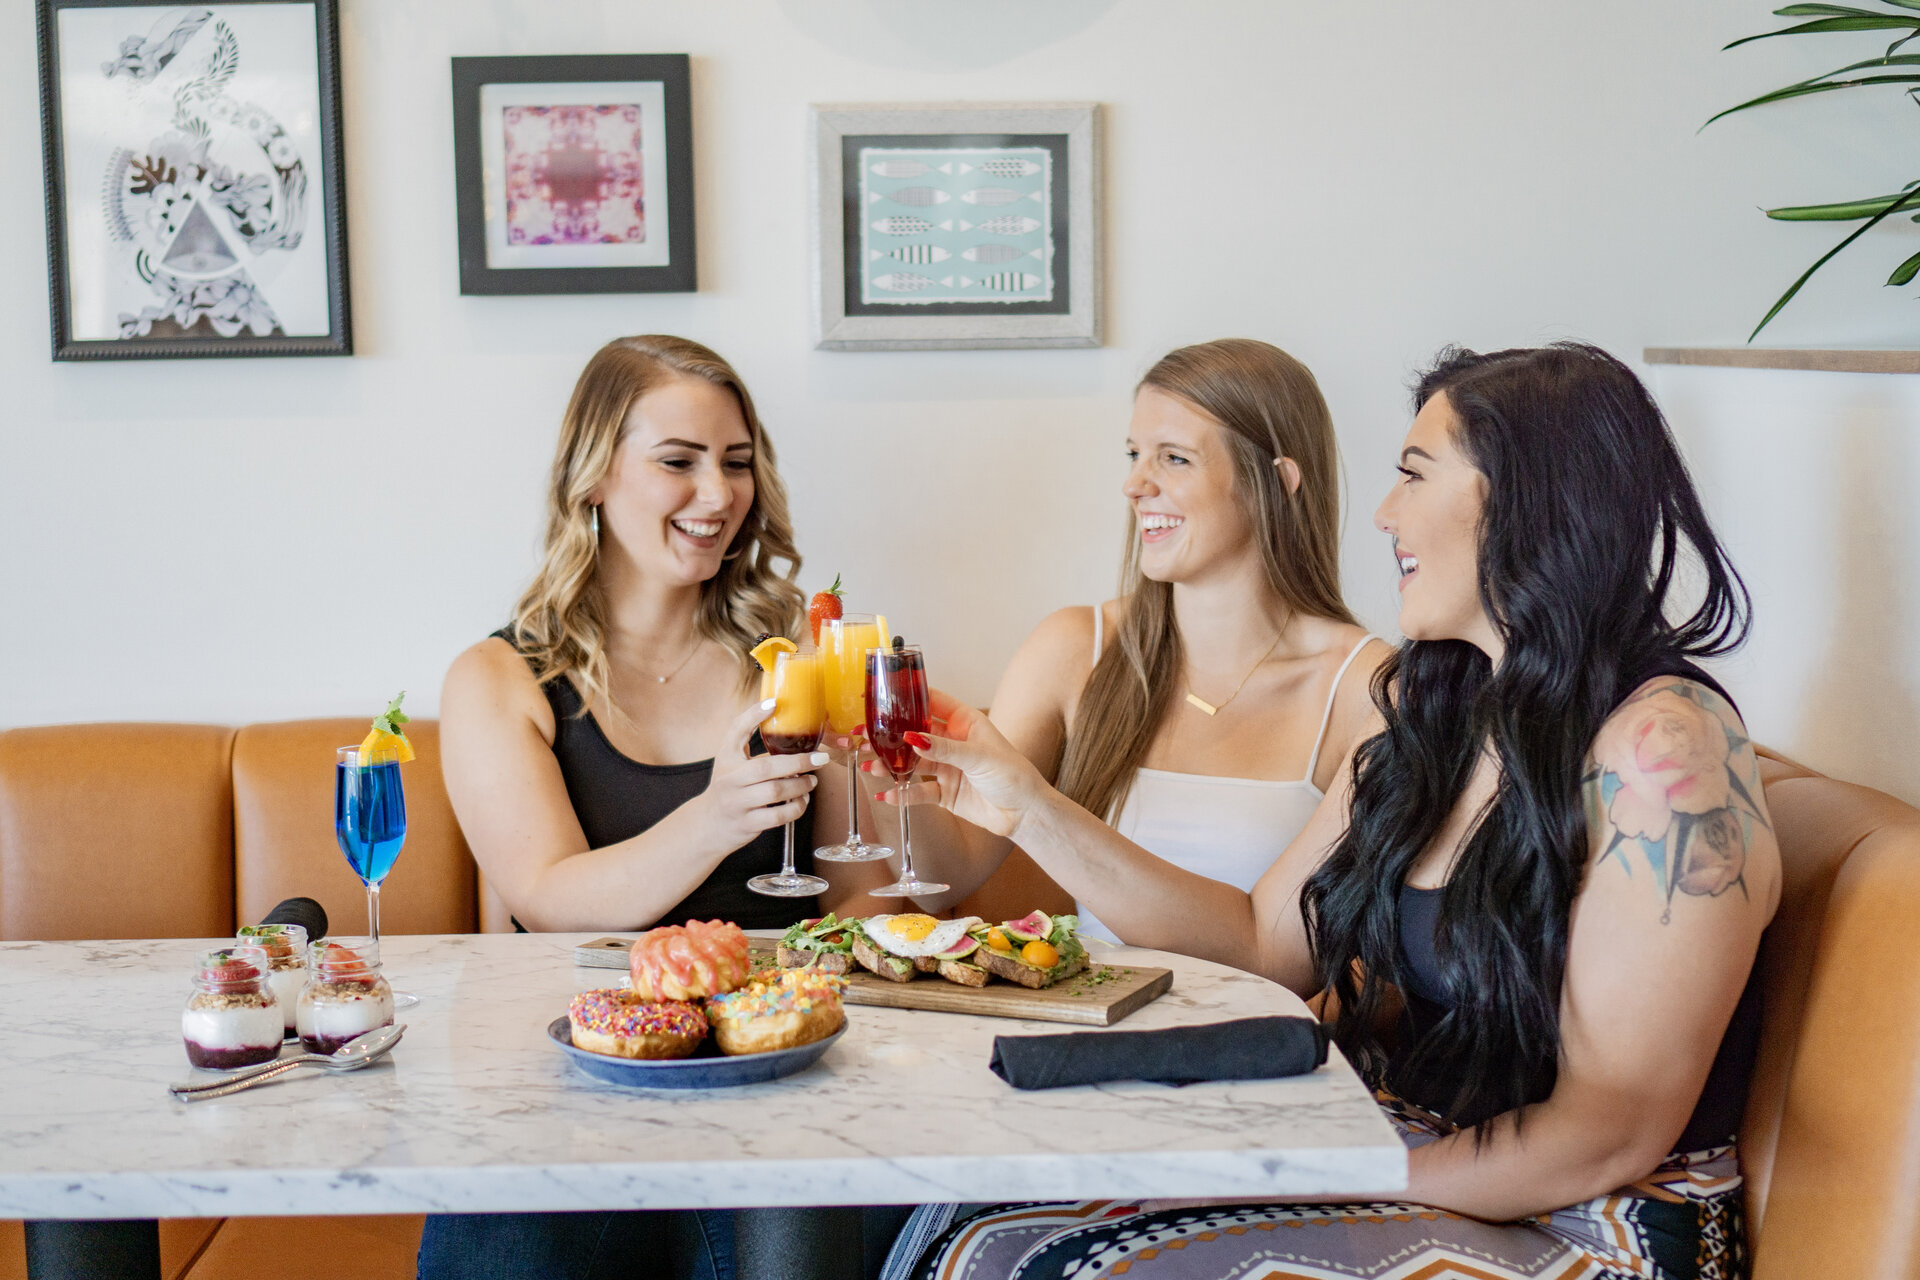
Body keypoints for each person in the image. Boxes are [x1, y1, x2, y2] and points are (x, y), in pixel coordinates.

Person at [887, 343, 1778, 1280]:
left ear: (1525, 500)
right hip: (1418, 1155)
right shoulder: (1438, 715)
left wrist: (1340, 1172)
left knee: (1050, 1268)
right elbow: (1262, 941)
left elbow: (1609, 1131)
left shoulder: (1664, 751)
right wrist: (1025, 807)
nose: (1385, 513)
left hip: (1597, 1223)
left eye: (1412, 475)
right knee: (983, 1223)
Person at [429, 334, 892, 1279]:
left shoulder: (796, 653)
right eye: (677, 463)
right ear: (593, 475)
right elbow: (547, 893)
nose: (717, 497)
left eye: (735, 463)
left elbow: (875, 884)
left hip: (782, 1062)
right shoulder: (498, 677)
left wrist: (810, 989)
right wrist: (716, 817)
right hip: (578, 1072)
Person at [880, 339, 1387, 938]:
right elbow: (946, 879)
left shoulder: (1366, 686)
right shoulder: (1074, 648)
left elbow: (1342, 958)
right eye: (1133, 454)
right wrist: (893, 767)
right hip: (1096, 1023)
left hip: (1264, 1032)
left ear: (1276, 483)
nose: (1134, 485)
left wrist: (1038, 813)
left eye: (1174, 458)